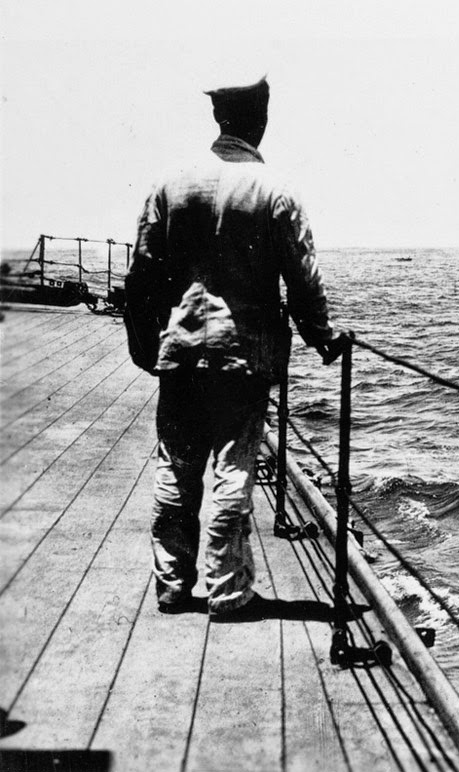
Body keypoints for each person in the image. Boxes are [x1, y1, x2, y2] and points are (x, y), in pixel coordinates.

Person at [124, 75, 348, 618]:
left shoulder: (170, 183)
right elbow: (303, 280)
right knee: (233, 472)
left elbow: (141, 276)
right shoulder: (275, 191)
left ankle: (172, 587)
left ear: (218, 118)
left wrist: (143, 345)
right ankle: (228, 591)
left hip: (179, 351)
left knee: (175, 470)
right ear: (261, 117)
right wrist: (322, 337)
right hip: (242, 357)